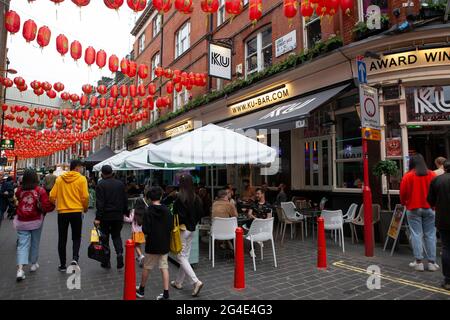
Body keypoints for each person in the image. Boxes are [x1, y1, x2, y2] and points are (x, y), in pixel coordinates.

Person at [400, 153, 438, 272]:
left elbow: (403, 193)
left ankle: (419, 262)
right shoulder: (432, 174)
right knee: (430, 234)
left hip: (413, 208)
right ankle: (432, 263)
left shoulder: (408, 176)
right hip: (430, 208)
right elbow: (436, 191)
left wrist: (404, 203)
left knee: (416, 234)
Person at [14, 169, 55, 281]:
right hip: (36, 220)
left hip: (22, 220)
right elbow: (46, 205)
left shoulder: (19, 190)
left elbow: (17, 198)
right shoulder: (40, 190)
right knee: (35, 242)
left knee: (22, 245)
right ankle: (33, 264)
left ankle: (20, 270)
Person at [49, 160, 89, 272]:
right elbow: (85, 196)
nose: (81, 170)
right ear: (77, 167)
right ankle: (75, 258)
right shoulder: (82, 179)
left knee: (62, 238)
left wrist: (56, 204)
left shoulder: (60, 179)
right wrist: (85, 208)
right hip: (76, 211)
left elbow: (51, 196)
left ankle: (62, 264)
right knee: (76, 237)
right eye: (80, 167)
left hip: (62, 213)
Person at [136, 187, 173, 300]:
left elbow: (145, 230)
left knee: (147, 267)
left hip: (152, 244)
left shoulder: (148, 211)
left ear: (149, 198)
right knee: (164, 267)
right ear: (161, 197)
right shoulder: (166, 210)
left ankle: (141, 290)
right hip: (164, 243)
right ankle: (166, 294)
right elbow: (170, 226)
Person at [170, 174, 204, 297]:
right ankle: (178, 282)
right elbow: (201, 213)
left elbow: (176, 215)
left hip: (183, 230)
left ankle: (196, 281)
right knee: (185, 256)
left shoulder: (180, 199)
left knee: (180, 257)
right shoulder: (197, 198)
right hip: (193, 229)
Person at [94, 165, 128, 269]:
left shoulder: (100, 185)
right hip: (118, 215)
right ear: (112, 172)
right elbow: (125, 200)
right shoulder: (120, 184)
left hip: (105, 216)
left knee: (105, 238)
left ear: (102, 173)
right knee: (116, 235)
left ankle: (106, 261)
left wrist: (98, 218)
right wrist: (125, 213)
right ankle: (119, 253)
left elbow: (100, 203)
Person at [427, 160, 450, 290]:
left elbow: (430, 200)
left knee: (446, 248)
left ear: (444, 168)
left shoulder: (437, 180)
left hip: (444, 220)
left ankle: (448, 280)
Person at [124, 200, 146, 267]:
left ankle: (141, 256)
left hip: (135, 231)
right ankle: (139, 257)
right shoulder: (145, 211)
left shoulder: (134, 211)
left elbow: (130, 220)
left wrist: (123, 217)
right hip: (141, 231)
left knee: (135, 245)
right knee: (138, 244)